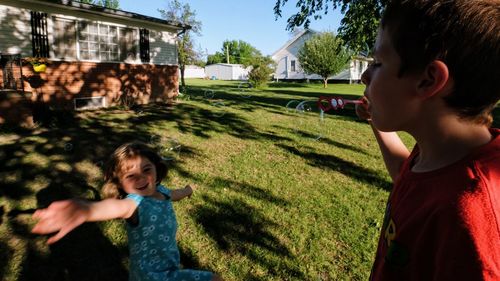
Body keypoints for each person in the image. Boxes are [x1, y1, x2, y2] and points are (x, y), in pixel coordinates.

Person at [355, 0, 500, 280]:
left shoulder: (470, 213)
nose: (365, 75)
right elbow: (407, 176)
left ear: (428, 80)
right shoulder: (442, 150)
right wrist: (377, 122)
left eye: (378, 63)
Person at [31, 141, 223, 281]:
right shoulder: (133, 203)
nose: (141, 178)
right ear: (119, 183)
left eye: (146, 169)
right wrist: (85, 210)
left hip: (169, 267)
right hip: (151, 277)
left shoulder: (162, 192)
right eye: (131, 175)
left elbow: (176, 194)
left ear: (157, 170)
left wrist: (188, 190)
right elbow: (113, 207)